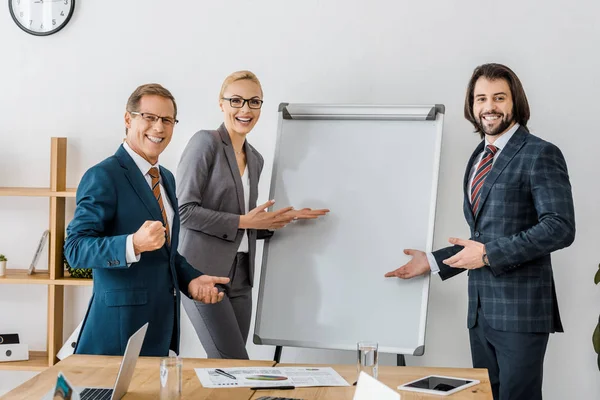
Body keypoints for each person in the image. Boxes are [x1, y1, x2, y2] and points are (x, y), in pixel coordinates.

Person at [385, 63, 575, 400]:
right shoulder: (478, 156)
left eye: (499, 97)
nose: (489, 107)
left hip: (520, 312)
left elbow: (559, 227)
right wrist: (431, 262)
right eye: (481, 99)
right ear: (472, 106)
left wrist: (487, 254)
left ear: (515, 101)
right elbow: (484, 234)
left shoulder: (540, 153)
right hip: (481, 312)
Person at [64, 83, 230, 357]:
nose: (159, 128)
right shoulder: (104, 175)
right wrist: (133, 244)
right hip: (116, 334)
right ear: (129, 119)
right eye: (149, 118)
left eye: (166, 120)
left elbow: (166, 253)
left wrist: (191, 280)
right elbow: (75, 249)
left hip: (158, 330)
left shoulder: (166, 177)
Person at [176, 70, 329, 359]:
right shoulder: (205, 143)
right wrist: (247, 221)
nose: (245, 109)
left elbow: (243, 226)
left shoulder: (255, 159)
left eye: (254, 102)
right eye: (236, 100)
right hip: (202, 271)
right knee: (234, 363)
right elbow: (184, 212)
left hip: (242, 275)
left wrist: (282, 219)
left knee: (231, 371)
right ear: (221, 104)